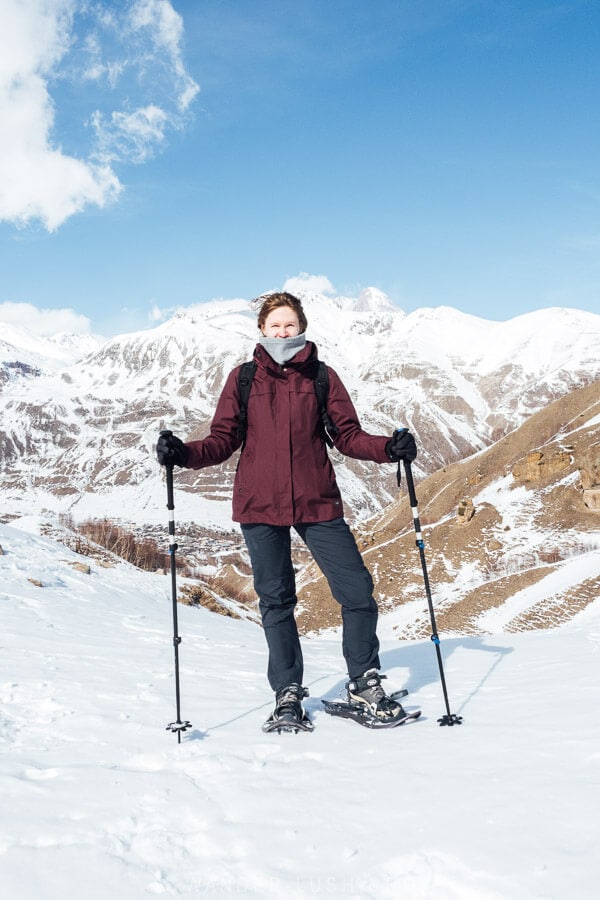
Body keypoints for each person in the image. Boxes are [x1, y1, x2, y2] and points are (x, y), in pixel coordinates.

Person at [156, 292, 417, 731]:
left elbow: (348, 436)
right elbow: (222, 440)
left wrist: (389, 448)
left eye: (289, 325)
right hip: (259, 506)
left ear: (302, 327)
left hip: (317, 501)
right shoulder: (243, 379)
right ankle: (287, 693)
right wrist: (182, 453)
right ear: (262, 329)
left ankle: (363, 681)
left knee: (356, 591)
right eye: (275, 325)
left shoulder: (322, 377)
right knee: (277, 600)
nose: (282, 332)